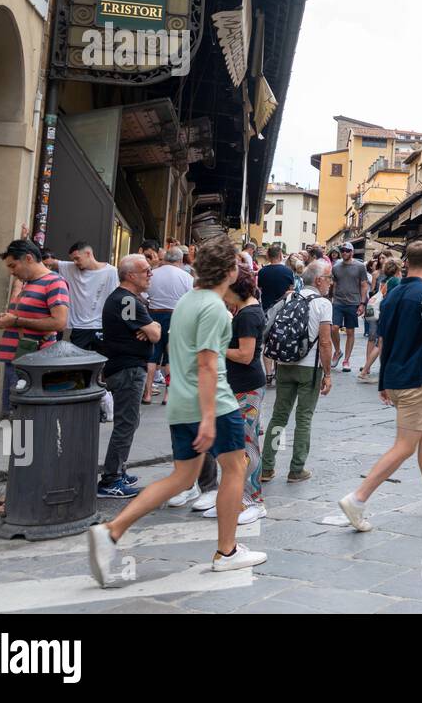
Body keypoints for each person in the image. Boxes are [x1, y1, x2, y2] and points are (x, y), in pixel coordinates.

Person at [87, 237, 267, 586]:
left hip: (182, 403)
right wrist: (211, 416)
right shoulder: (215, 309)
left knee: (182, 479)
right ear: (229, 271)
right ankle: (227, 551)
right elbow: (207, 365)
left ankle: (111, 530)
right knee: (236, 467)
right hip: (213, 403)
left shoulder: (187, 301)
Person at [337, 241, 422, 532]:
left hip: (396, 377)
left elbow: (383, 341)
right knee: (404, 447)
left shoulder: (390, 296)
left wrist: (382, 380)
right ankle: (358, 498)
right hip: (415, 378)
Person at [259, 259, 333, 484]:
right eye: (328, 278)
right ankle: (296, 468)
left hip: (285, 364)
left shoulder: (290, 297)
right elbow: (325, 343)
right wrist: (328, 374)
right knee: (304, 418)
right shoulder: (323, 304)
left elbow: (268, 325)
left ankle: (267, 467)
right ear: (319, 280)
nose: (330, 283)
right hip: (309, 368)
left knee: (278, 417)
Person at [96, 255, 161, 499]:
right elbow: (155, 334)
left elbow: (154, 330)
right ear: (131, 275)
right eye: (146, 270)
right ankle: (111, 478)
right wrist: (150, 328)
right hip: (127, 370)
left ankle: (118, 471)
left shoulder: (128, 300)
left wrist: (151, 328)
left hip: (127, 368)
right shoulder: (126, 301)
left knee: (128, 423)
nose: (150, 274)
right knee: (126, 424)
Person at [0, 239, 70, 418]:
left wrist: (16, 321)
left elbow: (59, 322)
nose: (12, 272)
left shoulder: (54, 282)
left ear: (28, 258)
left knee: (24, 417)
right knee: (15, 416)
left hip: (33, 362)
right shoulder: (29, 283)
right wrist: (7, 320)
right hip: (18, 359)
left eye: (13, 266)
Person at [221, 266, 267, 523]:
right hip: (242, 385)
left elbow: (245, 355)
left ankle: (254, 500)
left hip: (247, 386)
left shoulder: (248, 315)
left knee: (248, 444)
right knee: (240, 443)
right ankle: (238, 498)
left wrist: (217, 347)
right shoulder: (246, 311)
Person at [142, 245, 194, 406]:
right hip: (176, 316)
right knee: (171, 357)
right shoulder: (186, 277)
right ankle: (168, 396)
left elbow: (143, 296)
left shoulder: (153, 274)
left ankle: (148, 393)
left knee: (152, 355)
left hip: (154, 315)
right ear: (179, 259)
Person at [53, 242, 119, 352]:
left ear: (88, 253)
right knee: (77, 365)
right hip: (79, 327)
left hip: (101, 326)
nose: (75, 262)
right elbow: (47, 262)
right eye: (73, 259)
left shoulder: (111, 271)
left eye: (77, 258)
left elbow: (116, 299)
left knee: (101, 363)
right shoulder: (70, 268)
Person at [330, 242, 367, 373]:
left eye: (347, 250)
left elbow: (363, 285)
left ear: (352, 252)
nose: (344, 252)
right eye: (342, 250)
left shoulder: (360, 266)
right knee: (334, 328)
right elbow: (333, 283)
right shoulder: (336, 266)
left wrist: (362, 303)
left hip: (353, 302)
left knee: (350, 332)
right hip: (338, 302)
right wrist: (331, 299)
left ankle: (346, 360)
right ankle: (338, 351)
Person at [256, 243, 295, 312]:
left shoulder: (262, 271)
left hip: (267, 307)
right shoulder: (288, 271)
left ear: (268, 256)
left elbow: (259, 290)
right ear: (280, 255)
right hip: (282, 308)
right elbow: (291, 290)